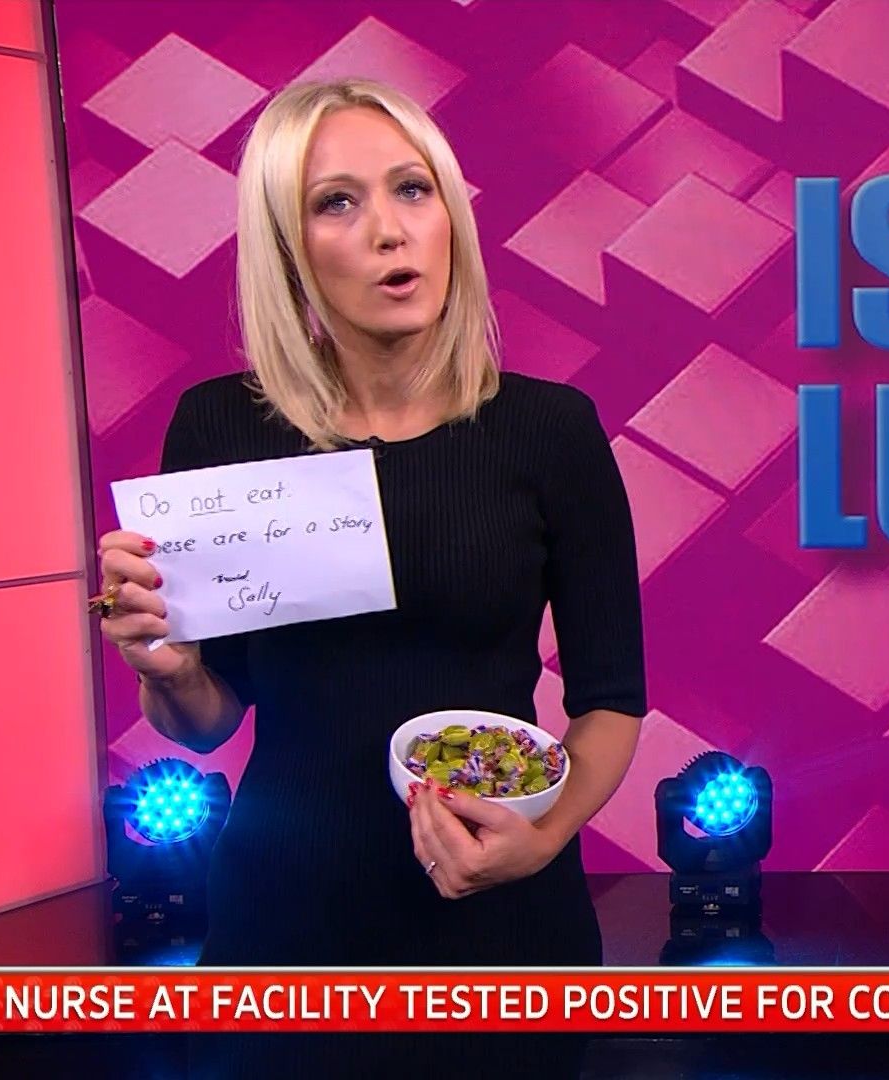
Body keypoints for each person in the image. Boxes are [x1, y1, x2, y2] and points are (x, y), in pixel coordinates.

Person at [87, 79, 645, 1078]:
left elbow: (611, 699)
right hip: (285, 928)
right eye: (337, 202)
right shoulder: (220, 427)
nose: (391, 230)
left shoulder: (551, 431)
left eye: (413, 189)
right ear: (288, 246)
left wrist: (543, 838)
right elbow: (206, 722)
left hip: (504, 928)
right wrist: (167, 670)